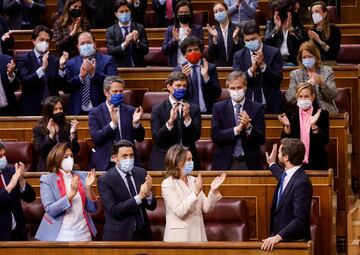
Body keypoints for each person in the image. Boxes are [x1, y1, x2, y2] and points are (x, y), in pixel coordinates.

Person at [162, 144, 226, 241]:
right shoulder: (168, 184)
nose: (191, 162)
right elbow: (180, 211)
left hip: (198, 234)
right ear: (178, 162)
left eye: (191, 159)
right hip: (178, 239)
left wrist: (212, 191)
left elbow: (206, 208)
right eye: (188, 159)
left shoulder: (194, 180)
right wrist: (195, 192)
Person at [35, 143, 98, 241]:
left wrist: (88, 187)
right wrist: (70, 195)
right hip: (60, 235)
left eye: (71, 156)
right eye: (66, 157)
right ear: (56, 159)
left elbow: (93, 209)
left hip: (83, 234)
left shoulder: (82, 176)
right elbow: (50, 209)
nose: (70, 159)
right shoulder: (48, 179)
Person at [97, 140, 157, 241]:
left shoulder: (141, 173)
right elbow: (114, 210)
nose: (129, 159)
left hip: (143, 233)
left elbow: (152, 206)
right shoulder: (105, 180)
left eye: (131, 155)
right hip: (120, 236)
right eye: (124, 156)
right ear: (114, 158)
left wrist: (148, 194)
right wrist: (139, 197)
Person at [261, 138, 312, 251]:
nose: (278, 154)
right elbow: (283, 178)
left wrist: (279, 236)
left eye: (279, 152)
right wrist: (272, 164)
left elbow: (300, 219)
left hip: (293, 243)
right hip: (280, 239)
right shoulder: (289, 175)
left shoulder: (302, 183)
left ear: (286, 157)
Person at [88, 75, 145, 171]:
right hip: (106, 163)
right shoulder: (95, 113)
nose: (119, 94)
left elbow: (140, 138)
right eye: (115, 92)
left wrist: (136, 124)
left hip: (128, 161)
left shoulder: (131, 111)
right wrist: (113, 124)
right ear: (106, 92)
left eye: (121, 91)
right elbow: (96, 138)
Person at [211, 71, 265, 170]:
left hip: (250, 162)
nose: (236, 91)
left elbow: (261, 139)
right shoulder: (218, 107)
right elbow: (215, 136)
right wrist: (236, 130)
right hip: (225, 161)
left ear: (245, 87)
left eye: (239, 87)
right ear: (228, 89)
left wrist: (248, 127)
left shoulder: (257, 108)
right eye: (232, 88)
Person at [149, 71, 201, 170]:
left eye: (184, 86)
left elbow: (196, 136)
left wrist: (187, 119)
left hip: (188, 159)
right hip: (164, 160)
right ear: (169, 87)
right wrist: (170, 122)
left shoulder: (193, 109)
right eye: (178, 85)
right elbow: (157, 139)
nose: (182, 88)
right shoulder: (158, 109)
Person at [16, 25, 69, 116]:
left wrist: (61, 67)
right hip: (30, 108)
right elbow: (25, 81)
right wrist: (42, 68)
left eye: (47, 40)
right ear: (33, 40)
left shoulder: (55, 60)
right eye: (41, 40)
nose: (44, 43)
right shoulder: (23, 59)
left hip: (52, 109)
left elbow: (62, 86)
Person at [233, 21, 283, 114]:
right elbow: (237, 80)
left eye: (253, 39)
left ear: (260, 36)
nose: (250, 42)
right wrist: (251, 70)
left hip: (271, 104)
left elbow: (278, 80)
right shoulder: (239, 56)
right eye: (247, 40)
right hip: (248, 106)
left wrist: (263, 66)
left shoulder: (274, 52)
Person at [64, 31, 118, 115]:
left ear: (95, 44)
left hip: (101, 111)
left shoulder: (108, 60)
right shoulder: (70, 63)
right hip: (77, 112)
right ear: (78, 47)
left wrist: (94, 73)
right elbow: (66, 88)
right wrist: (80, 77)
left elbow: (114, 83)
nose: (85, 45)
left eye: (88, 42)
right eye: (82, 43)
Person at [279, 83, 329, 170]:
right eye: (300, 96)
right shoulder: (290, 114)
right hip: (294, 163)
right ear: (297, 97)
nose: (303, 99)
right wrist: (287, 127)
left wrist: (313, 126)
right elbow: (284, 141)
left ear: (313, 97)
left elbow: (325, 141)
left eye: (306, 96)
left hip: (316, 162)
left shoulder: (322, 114)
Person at [286, 41, 338, 113]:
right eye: (304, 57)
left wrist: (322, 84)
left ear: (315, 57)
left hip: (324, 111)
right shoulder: (295, 74)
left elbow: (333, 94)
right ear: (301, 59)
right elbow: (289, 98)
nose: (307, 59)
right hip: (302, 112)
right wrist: (304, 87)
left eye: (309, 57)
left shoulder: (327, 71)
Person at [175, 36, 221, 114]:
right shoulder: (179, 70)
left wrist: (206, 77)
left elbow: (217, 94)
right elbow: (176, 97)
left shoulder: (210, 68)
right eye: (189, 50)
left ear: (201, 51)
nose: (193, 52)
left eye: (196, 49)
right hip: (187, 114)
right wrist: (183, 80)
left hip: (207, 112)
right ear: (184, 54)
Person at [33, 96, 80, 172]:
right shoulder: (39, 128)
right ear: (49, 111)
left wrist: (72, 135)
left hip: (66, 166)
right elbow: (41, 151)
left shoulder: (67, 126)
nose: (59, 111)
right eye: (55, 109)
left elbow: (75, 151)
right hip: (47, 167)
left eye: (61, 108)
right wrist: (51, 135)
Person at [0, 142, 36, 241]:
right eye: (0, 156)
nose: (3, 159)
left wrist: (21, 180)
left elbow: (31, 197)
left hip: (18, 233)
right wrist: (11, 185)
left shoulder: (11, 171)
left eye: (4, 155)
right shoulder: (12, 178)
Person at [106, 0, 149, 67]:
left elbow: (146, 51)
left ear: (130, 12)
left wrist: (137, 41)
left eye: (127, 11)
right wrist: (125, 44)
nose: (124, 13)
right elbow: (110, 52)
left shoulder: (140, 28)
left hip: (138, 67)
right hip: (120, 69)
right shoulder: (110, 30)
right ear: (116, 14)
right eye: (121, 11)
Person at [161, 0, 204, 67]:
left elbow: (201, 48)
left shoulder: (197, 29)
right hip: (176, 66)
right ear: (177, 15)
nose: (183, 14)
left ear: (190, 14)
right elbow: (164, 50)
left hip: (193, 65)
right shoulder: (170, 29)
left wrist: (191, 39)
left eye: (186, 12)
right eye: (181, 12)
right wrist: (174, 40)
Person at [206, 1, 243, 67]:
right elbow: (211, 54)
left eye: (221, 10)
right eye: (216, 12)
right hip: (219, 68)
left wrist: (236, 40)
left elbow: (242, 51)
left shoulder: (237, 28)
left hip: (236, 66)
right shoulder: (213, 30)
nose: (218, 13)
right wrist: (214, 39)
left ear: (227, 11)